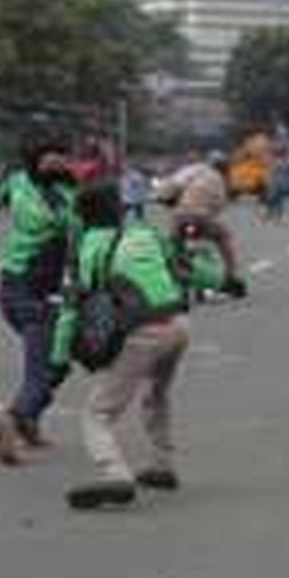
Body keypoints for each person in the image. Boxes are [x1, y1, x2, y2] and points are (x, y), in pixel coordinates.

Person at [50, 180, 228, 509]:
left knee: (96, 414)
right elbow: (186, 270)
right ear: (119, 209)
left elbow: (72, 307)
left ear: (82, 216)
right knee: (156, 395)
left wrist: (58, 359)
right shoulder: (146, 234)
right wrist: (226, 281)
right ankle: (162, 466)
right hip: (177, 325)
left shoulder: (90, 248)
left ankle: (115, 474)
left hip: (140, 333)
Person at [0, 136, 79, 462]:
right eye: (56, 156)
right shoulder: (63, 198)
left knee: (57, 360)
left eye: (65, 156)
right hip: (34, 292)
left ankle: (28, 422)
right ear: (38, 158)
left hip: (17, 287)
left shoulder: (25, 184)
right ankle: (13, 418)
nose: (63, 161)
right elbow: (78, 235)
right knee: (48, 366)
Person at [154, 154, 245, 296]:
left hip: (181, 216)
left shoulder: (193, 170)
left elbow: (171, 186)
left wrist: (162, 197)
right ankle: (231, 275)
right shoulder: (221, 180)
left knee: (172, 245)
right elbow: (219, 206)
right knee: (224, 237)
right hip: (202, 219)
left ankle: (170, 275)